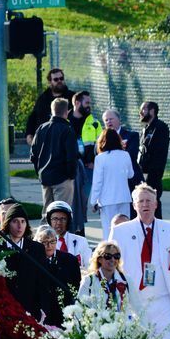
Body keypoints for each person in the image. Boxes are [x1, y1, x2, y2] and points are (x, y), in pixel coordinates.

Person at [112, 184, 170, 339]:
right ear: (134, 205)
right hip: (136, 304)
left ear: (156, 204)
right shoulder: (121, 232)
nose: (145, 205)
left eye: (149, 201)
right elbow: (112, 267)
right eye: (140, 201)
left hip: (164, 301)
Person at [30, 98, 78, 210]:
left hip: (45, 177)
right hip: (62, 178)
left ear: (52, 111)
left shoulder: (41, 128)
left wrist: (40, 173)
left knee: (47, 213)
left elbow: (33, 155)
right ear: (67, 112)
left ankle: (45, 228)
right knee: (62, 213)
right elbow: (71, 156)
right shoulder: (67, 130)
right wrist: (71, 176)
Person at [0, 204, 45, 317]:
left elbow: (42, 281)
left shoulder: (37, 248)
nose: (20, 226)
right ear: (7, 223)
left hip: (30, 309)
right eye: (15, 221)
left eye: (23, 221)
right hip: (4, 308)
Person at [31, 224, 81, 326]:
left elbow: (76, 285)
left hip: (64, 312)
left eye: (52, 241)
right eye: (44, 242)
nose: (49, 246)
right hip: (41, 312)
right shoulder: (32, 261)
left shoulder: (70, 260)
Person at [90, 129, 135, 241]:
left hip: (107, 200)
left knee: (109, 230)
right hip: (124, 197)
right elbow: (131, 174)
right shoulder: (125, 154)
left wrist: (93, 201)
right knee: (125, 228)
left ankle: (110, 254)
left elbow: (97, 182)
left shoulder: (100, 158)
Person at [78, 241, 142, 315]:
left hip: (122, 325)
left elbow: (138, 308)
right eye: (108, 256)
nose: (113, 259)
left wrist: (144, 326)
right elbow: (80, 308)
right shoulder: (89, 281)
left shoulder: (126, 280)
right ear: (99, 259)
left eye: (116, 256)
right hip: (97, 325)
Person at [71, 91, 102, 236]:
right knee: (72, 201)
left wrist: (94, 161)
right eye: (87, 103)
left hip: (88, 169)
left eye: (90, 103)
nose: (89, 106)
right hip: (71, 168)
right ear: (77, 103)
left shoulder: (94, 123)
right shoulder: (66, 120)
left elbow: (100, 144)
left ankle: (80, 232)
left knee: (82, 201)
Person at [25, 68, 74, 146]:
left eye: (61, 78)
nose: (59, 81)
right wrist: (29, 135)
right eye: (56, 79)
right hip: (45, 140)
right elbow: (33, 117)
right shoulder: (43, 99)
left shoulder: (72, 97)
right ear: (50, 82)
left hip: (65, 139)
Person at [138, 101, 170, 219]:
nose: (140, 112)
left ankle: (157, 228)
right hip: (143, 172)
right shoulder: (145, 129)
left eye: (143, 109)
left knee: (153, 201)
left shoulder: (160, 127)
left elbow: (158, 152)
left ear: (152, 111)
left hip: (153, 173)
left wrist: (152, 172)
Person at [102, 109, 142, 190]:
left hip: (130, 179)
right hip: (110, 178)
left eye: (111, 119)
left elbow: (131, 154)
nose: (108, 121)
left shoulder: (132, 136)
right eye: (106, 120)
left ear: (119, 119)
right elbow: (98, 153)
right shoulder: (101, 138)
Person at [44, 200, 90, 267]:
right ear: (49, 221)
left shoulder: (81, 241)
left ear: (68, 221)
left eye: (63, 219)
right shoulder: (43, 243)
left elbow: (89, 266)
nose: (59, 222)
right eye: (55, 219)